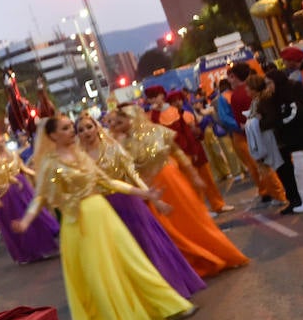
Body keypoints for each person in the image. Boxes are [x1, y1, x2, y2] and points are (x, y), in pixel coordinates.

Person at [14, 116, 196, 320]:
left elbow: (109, 182)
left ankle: (173, 306)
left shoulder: (81, 156)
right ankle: (116, 319)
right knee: (99, 274)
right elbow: (40, 197)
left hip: (102, 215)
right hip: (79, 224)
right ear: (52, 136)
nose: (72, 131)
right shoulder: (51, 164)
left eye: (72, 127)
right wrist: (26, 221)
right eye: (66, 128)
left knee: (133, 262)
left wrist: (144, 193)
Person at [107, 106, 249, 278]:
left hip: (173, 184)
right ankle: (191, 266)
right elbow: (126, 172)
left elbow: (178, 152)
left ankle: (220, 255)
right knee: (170, 231)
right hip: (152, 191)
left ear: (134, 118)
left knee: (193, 222)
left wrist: (194, 175)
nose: (119, 125)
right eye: (118, 122)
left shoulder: (158, 131)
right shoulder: (122, 145)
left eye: (123, 121)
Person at [75, 115, 205, 299]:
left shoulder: (113, 148)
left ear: (97, 128)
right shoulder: (79, 159)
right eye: (81, 130)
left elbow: (133, 175)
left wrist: (153, 198)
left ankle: (169, 291)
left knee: (147, 245)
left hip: (128, 202)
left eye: (89, 127)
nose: (86, 132)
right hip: (103, 210)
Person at [144, 86, 232, 214]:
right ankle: (201, 211)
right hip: (173, 156)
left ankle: (217, 204)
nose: (153, 100)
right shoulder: (150, 116)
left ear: (162, 95)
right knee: (189, 185)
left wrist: (194, 148)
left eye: (155, 96)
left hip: (191, 149)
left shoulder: (176, 111)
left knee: (206, 179)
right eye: (150, 98)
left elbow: (187, 132)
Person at [0, 137, 59, 264]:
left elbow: (7, 175)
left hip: (12, 195)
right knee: (13, 228)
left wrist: (17, 182)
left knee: (24, 221)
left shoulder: (0, 162)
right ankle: (24, 254)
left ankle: (37, 250)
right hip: (1, 200)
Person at [226, 63, 288, 205]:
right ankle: (286, 190)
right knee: (280, 161)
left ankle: (279, 194)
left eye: (230, 77)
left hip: (253, 135)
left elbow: (240, 121)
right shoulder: (264, 90)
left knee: (263, 165)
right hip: (270, 131)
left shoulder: (236, 96)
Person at [246, 72, 303, 213]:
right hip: (280, 141)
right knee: (289, 172)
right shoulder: (269, 97)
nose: (269, 87)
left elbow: (274, 119)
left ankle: (295, 199)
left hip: (281, 142)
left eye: (270, 83)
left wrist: (259, 122)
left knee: (290, 172)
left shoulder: (268, 99)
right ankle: (295, 199)